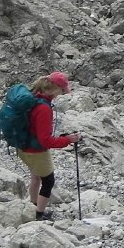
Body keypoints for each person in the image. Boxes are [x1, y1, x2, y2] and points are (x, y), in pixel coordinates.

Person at [18, 71, 81, 221]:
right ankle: (39, 214)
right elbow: (45, 141)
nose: (61, 94)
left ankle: (34, 206)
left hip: (23, 146)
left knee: (35, 176)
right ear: (55, 88)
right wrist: (68, 140)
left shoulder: (34, 97)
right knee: (48, 181)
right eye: (62, 90)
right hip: (35, 151)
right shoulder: (44, 109)